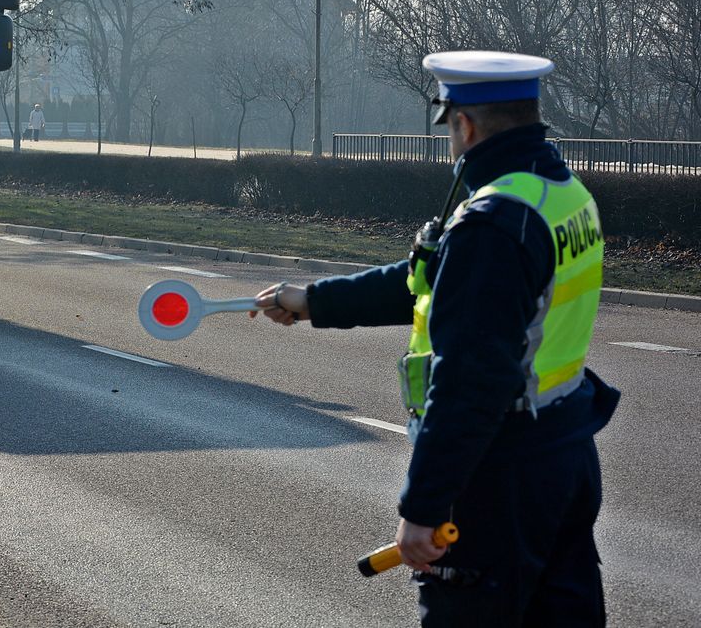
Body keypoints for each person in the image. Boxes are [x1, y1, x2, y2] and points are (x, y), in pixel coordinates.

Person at [253, 50, 619, 627]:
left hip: (498, 473)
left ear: (465, 124)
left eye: (449, 127)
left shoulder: (493, 224)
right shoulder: (558, 195)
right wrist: (314, 301)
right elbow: (428, 282)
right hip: (562, 446)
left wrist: (422, 508)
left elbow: (470, 380)